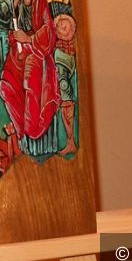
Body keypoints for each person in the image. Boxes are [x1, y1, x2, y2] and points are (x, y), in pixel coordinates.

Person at [0, 0, 61, 146]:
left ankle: (31, 128)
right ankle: (20, 132)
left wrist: (29, 39)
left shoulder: (39, 0)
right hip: (17, 56)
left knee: (30, 81)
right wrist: (11, 1)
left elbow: (49, 30)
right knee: (5, 87)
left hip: (36, 54)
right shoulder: (14, 4)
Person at [54, 14, 78, 155]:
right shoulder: (58, 47)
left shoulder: (72, 47)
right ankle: (70, 142)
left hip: (65, 92)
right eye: (59, 26)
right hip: (61, 88)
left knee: (67, 112)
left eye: (65, 25)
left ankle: (70, 142)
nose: (62, 27)